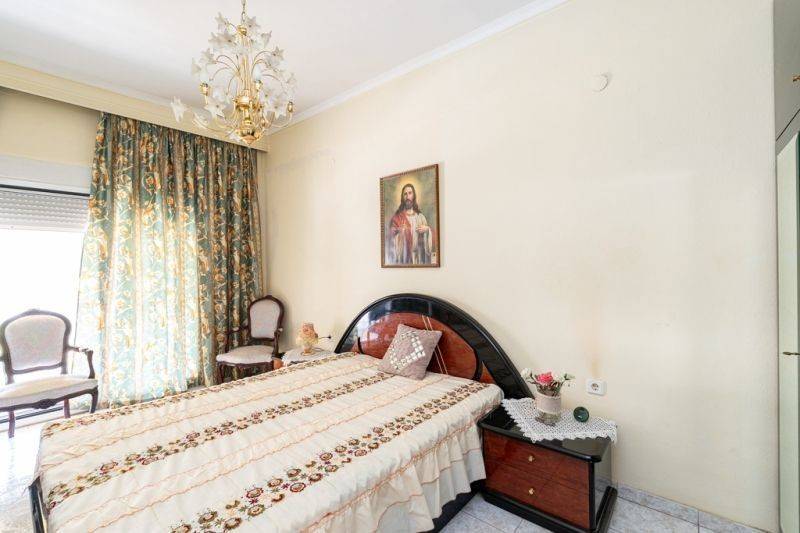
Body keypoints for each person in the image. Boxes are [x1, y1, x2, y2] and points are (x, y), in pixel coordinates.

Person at [389, 183, 433, 264]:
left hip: (418, 258)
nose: (407, 196)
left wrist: (427, 230)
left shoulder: (421, 217)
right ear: (402, 197)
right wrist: (400, 232)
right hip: (403, 259)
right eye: (405, 194)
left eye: (410, 193)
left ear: (414, 195)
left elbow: (428, 248)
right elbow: (390, 239)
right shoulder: (397, 218)